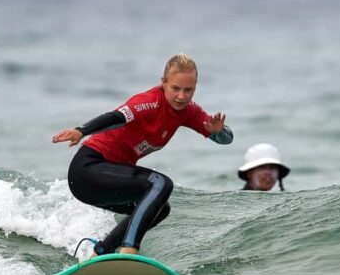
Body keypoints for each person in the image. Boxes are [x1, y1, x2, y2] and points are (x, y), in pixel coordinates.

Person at [52, 53, 233, 256]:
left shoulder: (188, 111)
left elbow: (225, 139)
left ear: (195, 88)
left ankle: (101, 252)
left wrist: (218, 132)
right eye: (175, 88)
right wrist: (82, 130)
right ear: (163, 83)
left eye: (188, 90)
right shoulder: (149, 102)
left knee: (160, 209)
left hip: (110, 178)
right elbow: (117, 117)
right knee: (160, 183)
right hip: (88, 170)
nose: (181, 96)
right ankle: (129, 249)